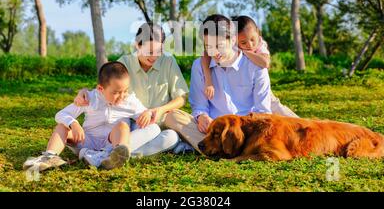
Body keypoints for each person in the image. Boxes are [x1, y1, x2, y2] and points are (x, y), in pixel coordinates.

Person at [74, 22, 191, 155]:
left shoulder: (168, 61)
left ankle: (110, 153)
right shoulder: (124, 63)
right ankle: (111, 152)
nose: (154, 57)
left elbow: (181, 98)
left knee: (172, 137)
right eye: (150, 51)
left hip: (161, 123)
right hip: (134, 126)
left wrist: (161, 110)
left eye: (159, 51)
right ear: (137, 45)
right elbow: (105, 89)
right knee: (148, 133)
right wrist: (83, 92)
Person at [23, 61, 161, 172]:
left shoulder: (130, 101)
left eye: (125, 91)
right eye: (116, 92)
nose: (122, 96)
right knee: (62, 126)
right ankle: (50, 156)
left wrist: (147, 113)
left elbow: (145, 113)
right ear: (101, 89)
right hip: (86, 140)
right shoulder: (89, 98)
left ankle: (114, 156)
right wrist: (74, 124)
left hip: (110, 142)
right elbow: (61, 114)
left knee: (123, 126)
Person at [164, 14, 273, 152]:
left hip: (244, 130)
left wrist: (236, 129)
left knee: (268, 127)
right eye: (209, 46)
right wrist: (202, 116)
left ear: (233, 40)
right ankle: (222, 148)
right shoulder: (199, 66)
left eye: (219, 45)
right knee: (172, 117)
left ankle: (211, 149)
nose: (214, 52)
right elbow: (199, 106)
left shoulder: (255, 66)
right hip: (212, 131)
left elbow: (262, 112)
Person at [201, 15, 298, 117]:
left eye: (252, 39)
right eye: (243, 42)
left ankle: (302, 123)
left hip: (262, 87)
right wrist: (208, 81)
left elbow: (265, 63)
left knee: (279, 110)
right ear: (235, 40)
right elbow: (205, 54)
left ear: (258, 33)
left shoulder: (260, 44)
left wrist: (243, 51)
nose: (250, 45)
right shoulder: (230, 45)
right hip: (244, 87)